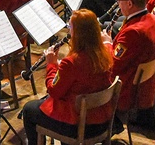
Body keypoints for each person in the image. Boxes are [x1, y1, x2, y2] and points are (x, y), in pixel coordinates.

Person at [22, 9, 114, 144]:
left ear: (78, 33)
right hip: (102, 120)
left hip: (78, 125)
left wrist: (52, 65)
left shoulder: (71, 62)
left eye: (70, 27)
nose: (68, 30)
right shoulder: (106, 52)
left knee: (29, 109)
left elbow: (54, 91)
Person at [102, 0, 155, 122]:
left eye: (119, 1)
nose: (118, 5)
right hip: (143, 84)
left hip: (126, 90)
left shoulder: (133, 32)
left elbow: (113, 65)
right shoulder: (152, 19)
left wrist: (107, 43)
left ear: (129, 3)